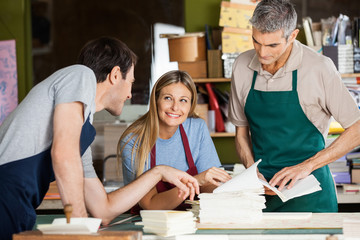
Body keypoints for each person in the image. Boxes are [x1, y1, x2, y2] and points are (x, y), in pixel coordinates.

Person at [0, 37, 199, 240]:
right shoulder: (81, 75)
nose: (130, 94)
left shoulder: (80, 132)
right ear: (114, 75)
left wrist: (158, 172)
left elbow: (103, 210)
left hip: (18, 205)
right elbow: (63, 154)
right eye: (130, 81)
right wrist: (78, 227)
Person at [228, 0, 360, 212]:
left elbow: (357, 129)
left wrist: (306, 167)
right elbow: (241, 133)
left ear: (292, 36)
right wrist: (252, 173)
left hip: (312, 195)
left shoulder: (319, 68)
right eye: (256, 42)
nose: (262, 54)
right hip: (262, 195)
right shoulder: (241, 66)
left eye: (272, 45)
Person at [119, 70, 231, 210]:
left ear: (191, 105)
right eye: (168, 98)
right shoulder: (134, 140)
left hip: (191, 220)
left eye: (183, 100)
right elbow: (150, 204)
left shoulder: (196, 128)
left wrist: (227, 191)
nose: (175, 107)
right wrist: (195, 181)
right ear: (155, 100)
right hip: (148, 225)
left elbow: (208, 184)